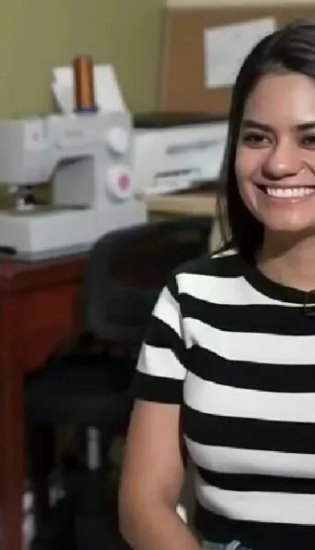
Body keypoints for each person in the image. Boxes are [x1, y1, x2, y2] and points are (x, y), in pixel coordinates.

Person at [119, 20, 315, 550]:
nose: (278, 163)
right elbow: (143, 504)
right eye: (257, 137)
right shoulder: (191, 299)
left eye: (311, 138)